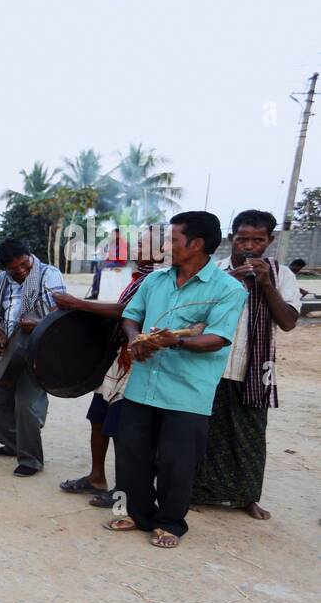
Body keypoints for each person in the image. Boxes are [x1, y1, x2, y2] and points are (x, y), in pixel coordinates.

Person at [105, 211, 246, 549]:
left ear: (195, 244)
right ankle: (135, 513)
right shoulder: (155, 280)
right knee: (130, 453)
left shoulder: (228, 289)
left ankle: (170, 522)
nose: (165, 245)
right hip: (142, 387)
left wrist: (176, 341)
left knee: (176, 462)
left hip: (187, 392)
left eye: (171, 239)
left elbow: (218, 338)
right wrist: (134, 338)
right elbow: (130, 315)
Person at [191, 210, 301, 520]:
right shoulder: (214, 271)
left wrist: (265, 284)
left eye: (258, 240)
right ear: (231, 239)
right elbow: (194, 311)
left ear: (270, 241)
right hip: (210, 365)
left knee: (250, 435)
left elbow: (289, 322)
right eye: (242, 239)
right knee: (203, 432)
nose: (249, 247)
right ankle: (196, 491)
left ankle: (247, 496)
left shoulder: (282, 275)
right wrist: (226, 284)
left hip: (253, 370)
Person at [54, 226, 162, 505]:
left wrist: (78, 304)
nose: (135, 247)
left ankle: (125, 489)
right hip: (119, 358)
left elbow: (124, 312)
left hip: (135, 358)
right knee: (99, 418)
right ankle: (97, 477)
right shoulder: (139, 277)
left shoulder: (157, 279)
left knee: (122, 426)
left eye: (142, 243)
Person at [0, 239, 65, 476]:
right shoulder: (0, 281)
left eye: (24, 265)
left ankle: (31, 460)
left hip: (39, 350)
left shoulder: (49, 275)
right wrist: (1, 339)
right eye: (13, 268)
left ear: (31, 255)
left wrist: (38, 324)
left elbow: (60, 315)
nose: (20, 271)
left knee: (26, 405)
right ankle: (15, 445)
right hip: (10, 350)